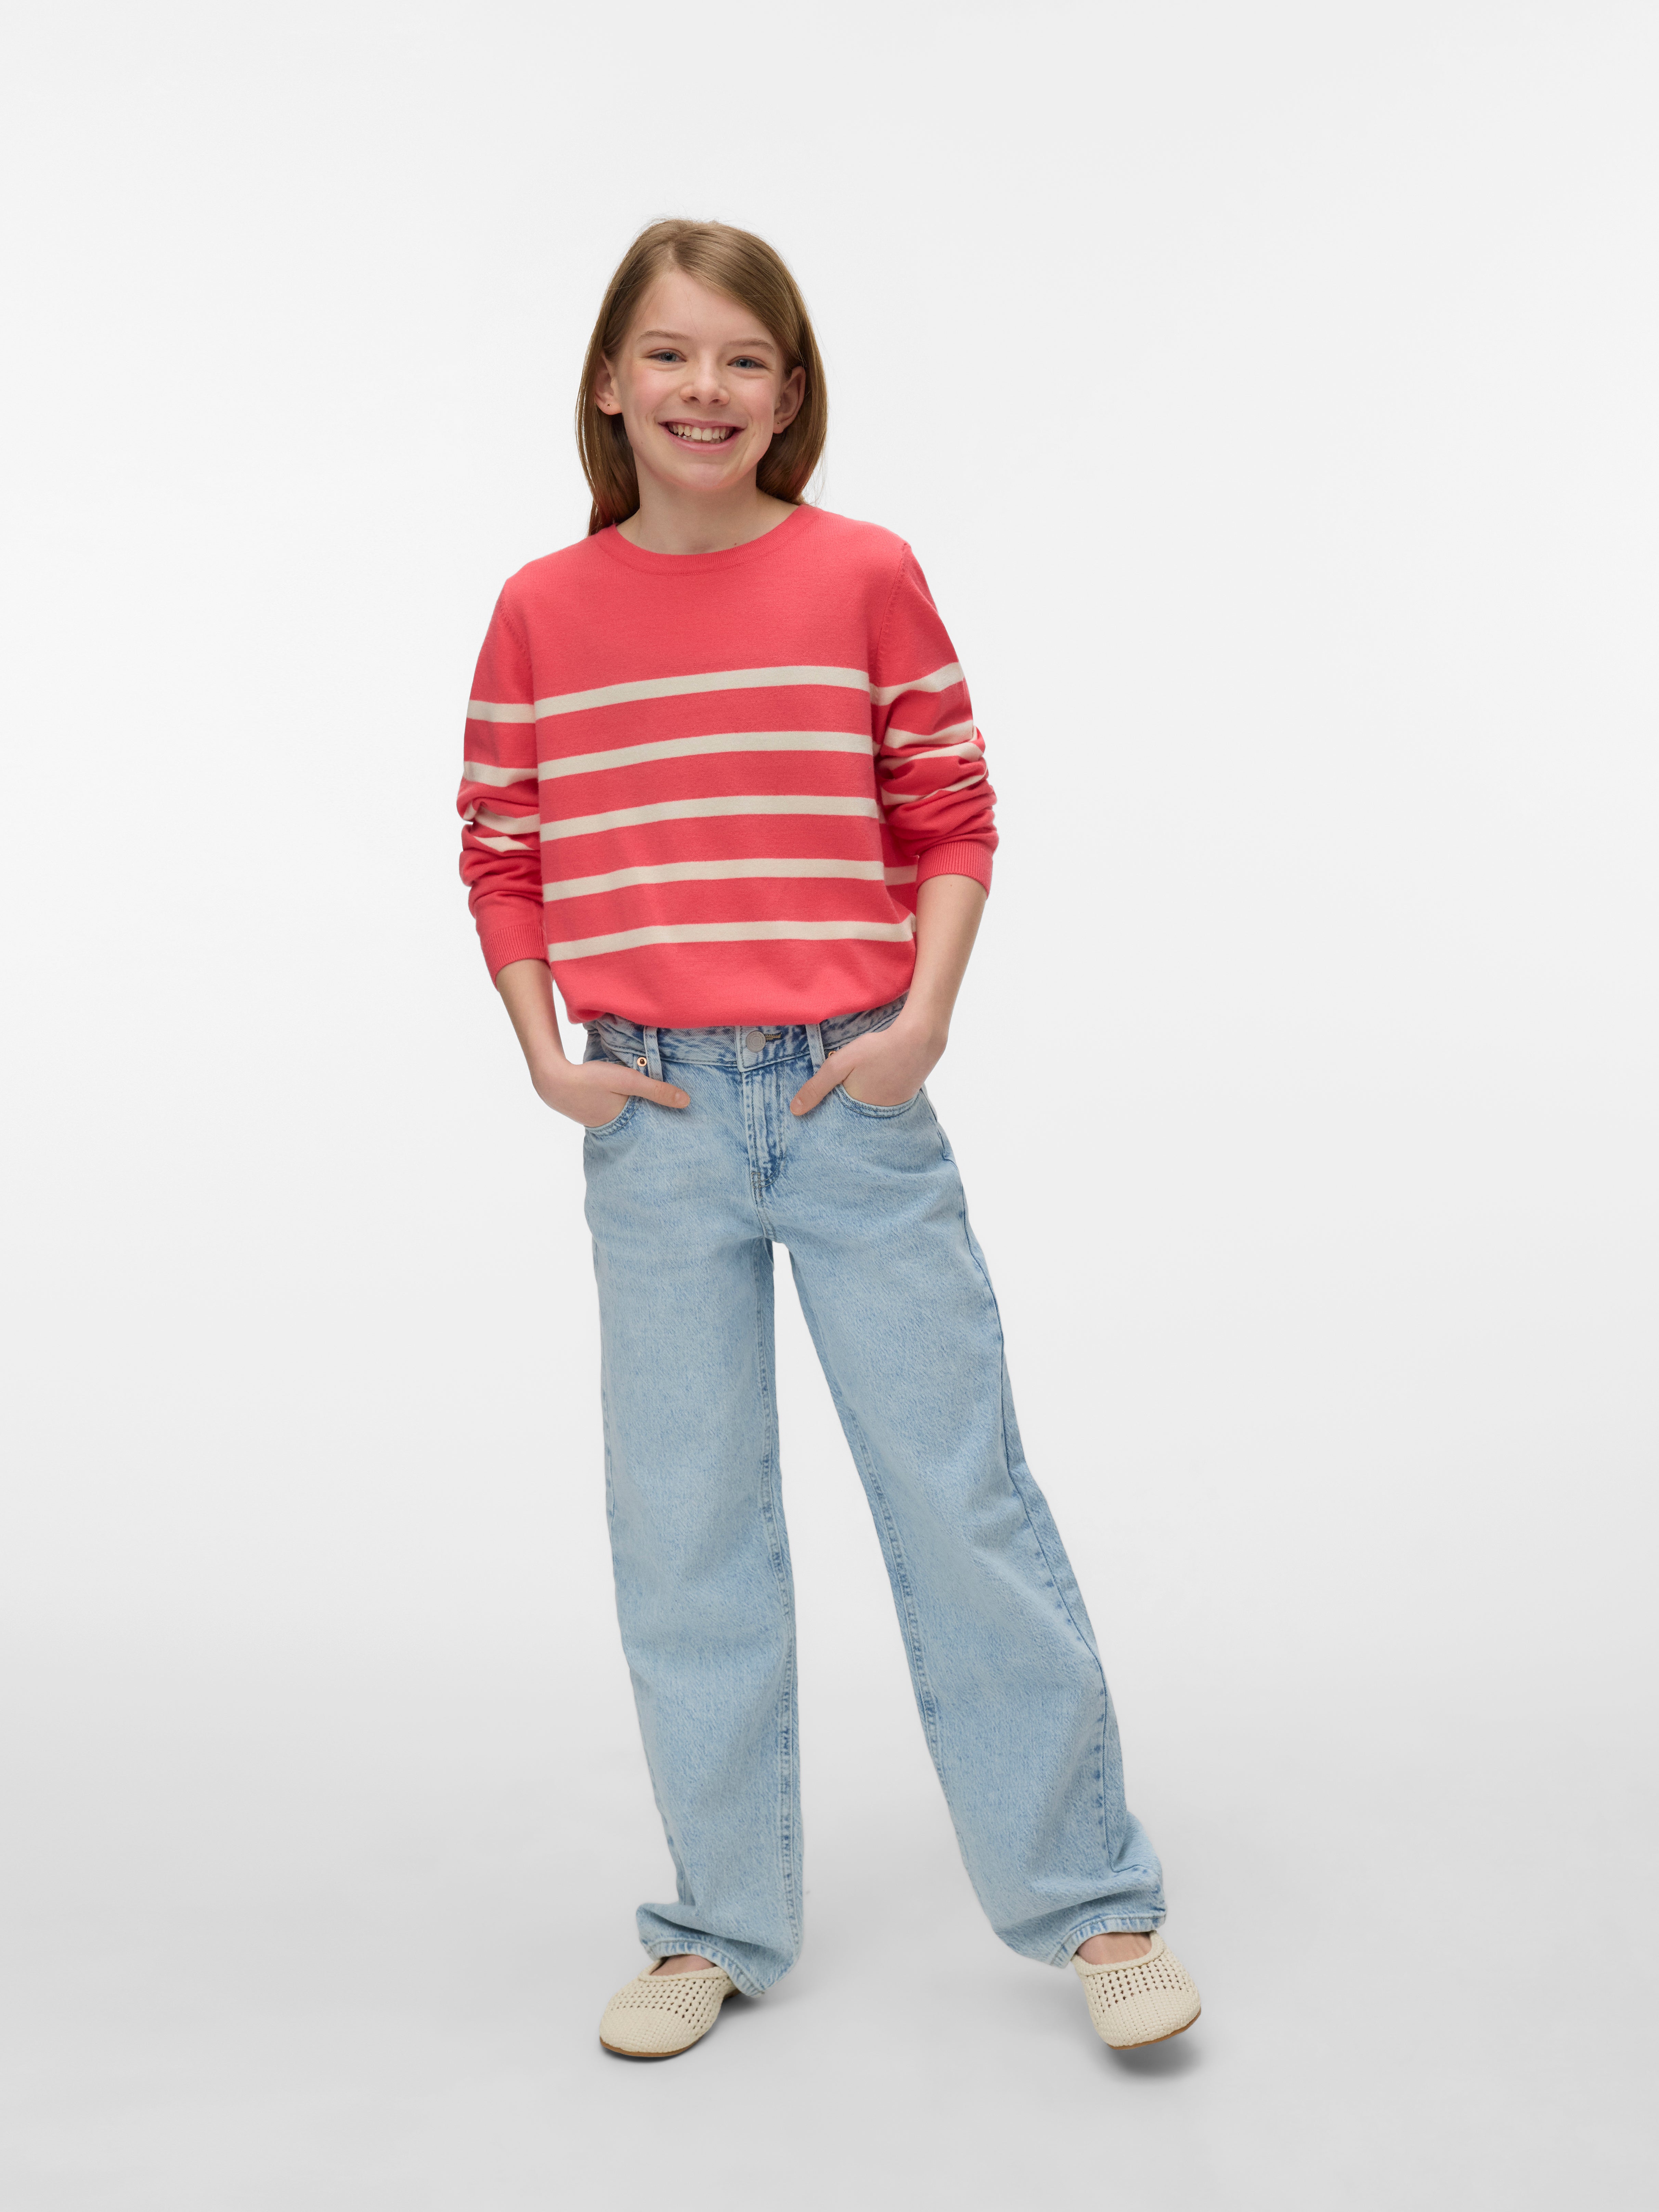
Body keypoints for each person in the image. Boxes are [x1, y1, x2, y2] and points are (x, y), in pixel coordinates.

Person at [456, 219, 1201, 2061]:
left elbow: (949, 811)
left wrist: (918, 1024)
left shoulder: (863, 571)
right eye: (669, 352)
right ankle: (715, 1922)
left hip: (847, 1106)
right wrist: (548, 1056)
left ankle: (1093, 1907)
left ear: (790, 394)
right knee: (685, 1532)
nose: (704, 389)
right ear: (609, 380)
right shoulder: (542, 606)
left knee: (960, 1502)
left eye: (744, 359)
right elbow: (500, 844)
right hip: (649, 1118)